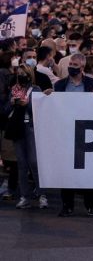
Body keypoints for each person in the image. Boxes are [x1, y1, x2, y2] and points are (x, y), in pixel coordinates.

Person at [46, 53, 93, 216]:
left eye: (75, 65)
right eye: (70, 64)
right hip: (66, 131)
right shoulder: (60, 85)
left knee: (89, 170)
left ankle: (91, 205)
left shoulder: (91, 83)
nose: (71, 67)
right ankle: (67, 206)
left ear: (82, 67)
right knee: (67, 169)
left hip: (88, 131)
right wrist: (47, 96)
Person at [4, 65, 45, 210]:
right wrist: (12, 103)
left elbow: (40, 110)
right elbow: (5, 110)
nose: (21, 76)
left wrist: (27, 104)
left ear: (29, 75)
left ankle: (42, 194)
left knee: (34, 162)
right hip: (17, 127)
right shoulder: (14, 89)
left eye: (24, 73)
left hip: (31, 128)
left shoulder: (36, 89)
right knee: (21, 163)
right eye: (19, 73)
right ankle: (24, 197)